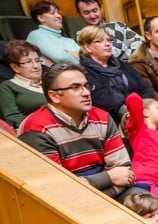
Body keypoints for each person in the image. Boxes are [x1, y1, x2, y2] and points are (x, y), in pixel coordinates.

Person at [19, 63, 141, 202]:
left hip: (99, 190)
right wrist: (108, 178)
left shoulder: (102, 118)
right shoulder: (37, 129)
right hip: (62, 205)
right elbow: (55, 190)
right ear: (54, 96)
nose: (86, 93)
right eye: (75, 87)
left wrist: (102, 186)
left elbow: (124, 173)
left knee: (144, 200)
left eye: (86, 86)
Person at [77, 25, 154, 123]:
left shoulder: (122, 65)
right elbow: (105, 102)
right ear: (87, 47)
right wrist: (135, 115)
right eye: (99, 41)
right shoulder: (83, 72)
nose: (107, 44)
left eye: (108, 40)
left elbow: (144, 88)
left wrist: (148, 108)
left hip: (143, 113)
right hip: (114, 121)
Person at [74, 0, 143, 62]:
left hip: (132, 65)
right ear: (80, 14)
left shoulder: (118, 26)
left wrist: (123, 60)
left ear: (101, 9)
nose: (92, 15)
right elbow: (95, 59)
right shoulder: (81, 35)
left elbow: (140, 42)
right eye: (86, 13)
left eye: (95, 11)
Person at [0, 41, 46, 127]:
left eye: (37, 60)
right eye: (28, 62)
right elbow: (13, 117)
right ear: (15, 67)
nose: (36, 66)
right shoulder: (7, 86)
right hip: (38, 131)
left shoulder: (51, 81)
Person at [25, 0, 79, 65]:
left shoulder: (69, 41)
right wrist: (78, 58)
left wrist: (68, 54)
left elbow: (88, 56)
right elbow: (61, 57)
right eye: (52, 13)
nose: (59, 16)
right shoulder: (36, 35)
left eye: (58, 13)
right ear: (41, 18)